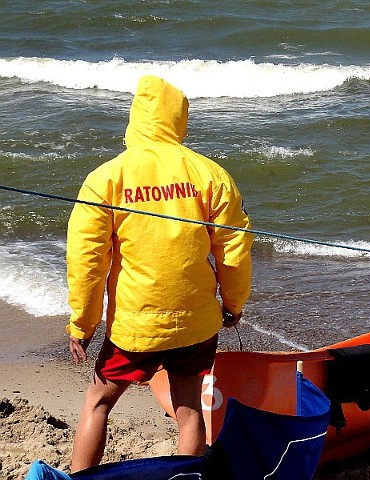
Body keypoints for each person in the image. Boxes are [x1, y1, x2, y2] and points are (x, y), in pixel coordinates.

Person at [66, 75, 253, 472]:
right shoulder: (210, 174)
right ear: (178, 120)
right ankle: (187, 479)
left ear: (136, 118)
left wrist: (82, 324)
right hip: (196, 322)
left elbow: (87, 260)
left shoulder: (106, 177)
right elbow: (234, 249)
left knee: (98, 402)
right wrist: (234, 304)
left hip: (136, 325)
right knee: (188, 409)